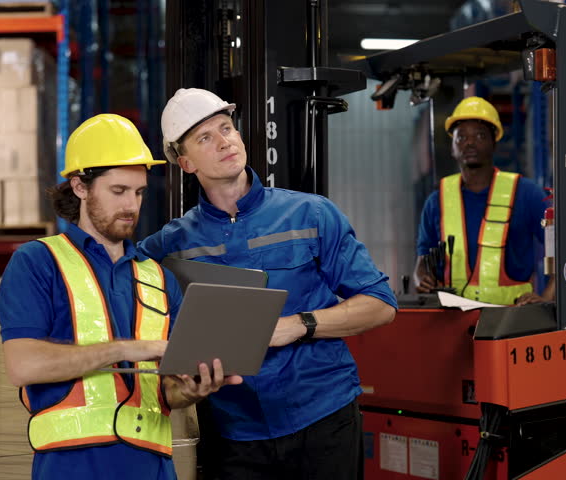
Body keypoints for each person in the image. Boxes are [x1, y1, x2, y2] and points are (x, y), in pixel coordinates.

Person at [138, 88, 398, 480]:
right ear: (185, 161)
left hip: (323, 418)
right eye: (205, 137)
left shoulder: (311, 213)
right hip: (233, 433)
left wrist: (298, 325)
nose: (225, 141)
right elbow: (110, 278)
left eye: (226, 128)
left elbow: (381, 304)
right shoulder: (171, 245)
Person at [0, 113, 241, 480]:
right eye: (118, 191)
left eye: (139, 192)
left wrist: (192, 390)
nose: (131, 205)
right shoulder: (37, 261)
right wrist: (127, 349)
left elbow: (164, 393)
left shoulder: (157, 277)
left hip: (154, 467)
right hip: (72, 467)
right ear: (79, 186)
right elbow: (23, 366)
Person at [413, 96, 554, 305]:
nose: (469, 142)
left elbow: (563, 253)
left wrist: (545, 301)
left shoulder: (526, 194)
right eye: (461, 137)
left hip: (512, 322)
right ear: (452, 148)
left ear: (494, 142)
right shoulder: (436, 202)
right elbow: (421, 265)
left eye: (479, 135)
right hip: (453, 322)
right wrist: (422, 280)